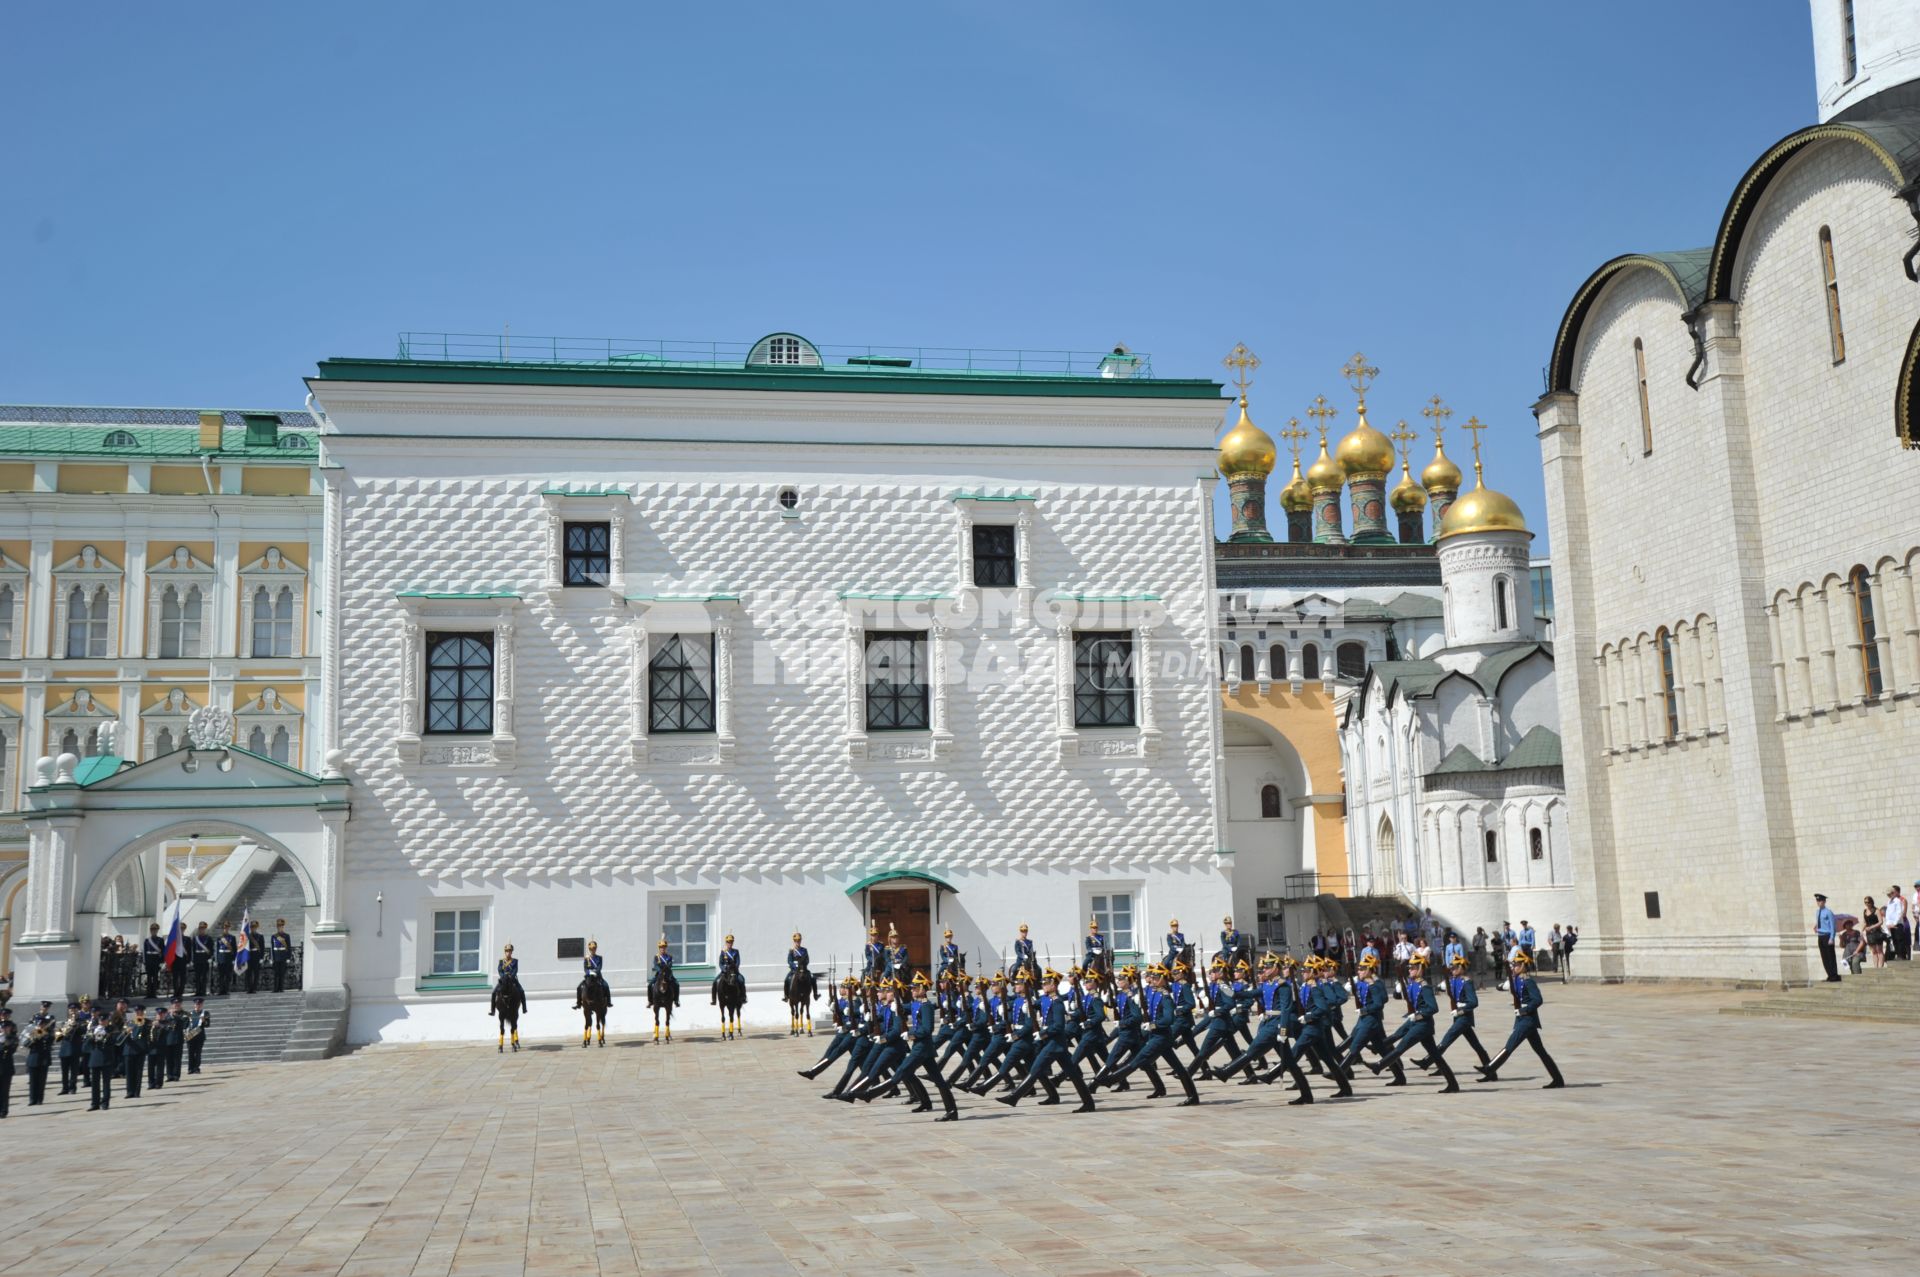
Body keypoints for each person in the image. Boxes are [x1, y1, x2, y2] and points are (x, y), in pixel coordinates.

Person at [1090, 963, 1200, 1105]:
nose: (1152, 980)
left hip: (1161, 1036)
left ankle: (1110, 1080)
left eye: (1156, 978)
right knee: (1178, 1067)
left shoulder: (1165, 997)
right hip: (1157, 1036)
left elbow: (1169, 1019)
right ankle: (1193, 1096)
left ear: (1163, 979)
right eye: (1152, 977)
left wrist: (1152, 1024)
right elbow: (1146, 1010)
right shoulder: (1153, 993)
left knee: (1138, 1060)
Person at [999, 970, 1095, 1113]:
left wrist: (1043, 1033)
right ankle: (1088, 1103)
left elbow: (1058, 1026)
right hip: (1054, 1044)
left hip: (1054, 1043)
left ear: (1054, 985)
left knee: (1035, 1069)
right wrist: (1024, 1002)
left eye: (1046, 983)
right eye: (1043, 983)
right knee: (1073, 1074)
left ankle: (1014, 1097)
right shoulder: (1044, 999)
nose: (1043, 985)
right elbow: (1034, 1004)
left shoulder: (1057, 1003)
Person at [1366, 955, 1459, 1093]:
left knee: (1402, 1046)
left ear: (1420, 969)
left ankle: (1379, 1065)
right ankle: (1453, 1084)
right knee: (1434, 1055)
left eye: (1413, 968)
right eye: (1409, 968)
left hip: (1423, 1024)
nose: (1410, 970)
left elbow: (1433, 1008)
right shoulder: (1413, 984)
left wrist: (1418, 1015)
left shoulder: (1424, 986)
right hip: (1415, 1021)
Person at [1477, 951, 1565, 1088]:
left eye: (1517, 965)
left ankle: (1489, 1067)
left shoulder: (1528, 982)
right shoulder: (1517, 980)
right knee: (1541, 1052)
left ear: (1524, 966)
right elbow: (1504, 988)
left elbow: (1538, 1000)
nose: (1514, 967)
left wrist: (1525, 1010)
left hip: (1528, 1020)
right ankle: (1558, 1079)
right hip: (1522, 1020)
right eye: (1513, 965)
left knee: (1510, 1045)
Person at [122, 1006, 150, 1099]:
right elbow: (123, 1034)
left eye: (140, 1011)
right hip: (129, 1049)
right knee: (129, 1072)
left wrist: (139, 1022)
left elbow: (144, 1033)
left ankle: (136, 1092)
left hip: (139, 1049)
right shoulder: (129, 1021)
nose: (138, 1013)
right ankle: (129, 1091)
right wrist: (126, 1030)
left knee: (138, 1072)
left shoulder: (145, 1022)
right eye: (136, 1011)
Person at [57, 1003, 85, 1095]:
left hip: (75, 1049)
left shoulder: (81, 1021)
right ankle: (64, 1088)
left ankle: (73, 1087)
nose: (72, 1011)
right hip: (64, 1049)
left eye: (74, 1009)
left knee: (74, 1071)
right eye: (71, 1009)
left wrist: (75, 1025)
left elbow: (83, 1031)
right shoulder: (64, 1022)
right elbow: (58, 1037)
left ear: (78, 1011)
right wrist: (61, 1031)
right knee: (64, 1071)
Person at [574, 940, 610, 1009]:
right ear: (589, 949)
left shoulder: (599, 958)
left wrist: (595, 972)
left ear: (596, 949)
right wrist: (590, 972)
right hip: (588, 978)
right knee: (579, 987)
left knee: (606, 985)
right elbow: (585, 968)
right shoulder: (586, 958)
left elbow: (599, 967)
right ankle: (579, 1003)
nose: (592, 950)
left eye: (594, 948)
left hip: (597, 977)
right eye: (591, 949)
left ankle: (608, 1002)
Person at [1814, 894, 1841, 982]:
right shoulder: (1817, 912)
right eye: (1817, 901)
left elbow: (1833, 926)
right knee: (1824, 957)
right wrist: (1816, 927)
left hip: (1827, 936)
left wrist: (1832, 938)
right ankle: (1829, 974)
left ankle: (1834, 975)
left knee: (1830, 956)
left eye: (1820, 901)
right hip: (1820, 936)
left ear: (1824, 901)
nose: (1818, 903)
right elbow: (1820, 922)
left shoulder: (1828, 912)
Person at [185, 998, 212, 1074]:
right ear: (194, 1005)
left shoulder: (205, 1013)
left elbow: (207, 1025)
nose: (198, 1005)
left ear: (202, 1005)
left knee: (198, 1053)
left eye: (199, 1004)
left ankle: (196, 1068)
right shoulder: (190, 1013)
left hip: (199, 1036)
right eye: (197, 1004)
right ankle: (190, 1068)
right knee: (190, 1053)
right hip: (190, 1035)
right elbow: (185, 1025)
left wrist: (204, 1021)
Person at [1885, 886, 1911, 961]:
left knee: (1900, 940)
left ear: (1893, 893)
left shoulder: (1897, 901)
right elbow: (1888, 914)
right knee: (1895, 940)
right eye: (1888, 895)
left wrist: (1895, 923)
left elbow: (1899, 913)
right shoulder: (1889, 902)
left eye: (1890, 894)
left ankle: (1902, 955)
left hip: (1897, 924)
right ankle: (1898, 954)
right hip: (1891, 925)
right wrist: (1888, 924)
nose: (1889, 896)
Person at [189, 922, 215, 998]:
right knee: (197, 976)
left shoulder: (209, 938)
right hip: (197, 959)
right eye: (200, 928)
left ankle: (203, 991)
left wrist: (210, 957)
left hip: (205, 959)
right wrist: (192, 959)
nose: (202, 930)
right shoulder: (195, 938)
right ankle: (197, 991)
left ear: (205, 929)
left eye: (203, 928)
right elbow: (193, 950)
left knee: (203, 976)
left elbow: (211, 949)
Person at [141, 922, 165, 998]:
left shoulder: (160, 940)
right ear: (150, 930)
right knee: (148, 977)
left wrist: (162, 961)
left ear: (157, 930)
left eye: (155, 929)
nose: (154, 931)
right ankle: (148, 994)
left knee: (155, 977)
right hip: (148, 960)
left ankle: (154, 993)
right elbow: (144, 951)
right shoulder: (147, 940)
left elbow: (163, 951)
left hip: (156, 960)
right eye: (152, 929)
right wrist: (144, 961)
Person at [269, 920, 294, 992]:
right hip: (276, 956)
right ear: (277, 927)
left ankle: (281, 988)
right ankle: (275, 988)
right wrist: (271, 958)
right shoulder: (273, 936)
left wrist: (288, 957)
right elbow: (272, 948)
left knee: (282, 973)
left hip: (283, 956)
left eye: (281, 926)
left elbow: (288, 947)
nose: (280, 928)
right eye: (279, 927)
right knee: (276, 973)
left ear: (283, 927)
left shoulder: (286, 936)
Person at [1863, 897, 1887, 969]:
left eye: (1868, 902)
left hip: (1877, 932)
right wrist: (1862, 930)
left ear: (1871, 902)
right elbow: (1864, 922)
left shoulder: (1876, 910)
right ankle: (1875, 967)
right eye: (1865, 902)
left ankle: (1880, 967)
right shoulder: (1865, 911)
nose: (1867, 904)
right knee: (1873, 951)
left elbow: (1881, 922)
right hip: (1869, 933)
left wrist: (1871, 927)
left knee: (1879, 950)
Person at [244, 920, 267, 992]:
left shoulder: (260, 936)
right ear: (250, 928)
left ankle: (254, 988)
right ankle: (249, 988)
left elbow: (262, 947)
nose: (253, 929)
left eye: (255, 927)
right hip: (249, 956)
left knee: (256, 973)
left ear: (257, 928)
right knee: (248, 973)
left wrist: (261, 957)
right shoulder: (247, 936)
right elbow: (245, 947)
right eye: (252, 927)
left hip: (256, 955)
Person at [215, 922, 237, 995]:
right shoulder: (219, 937)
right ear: (223, 928)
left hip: (228, 958)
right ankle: (221, 990)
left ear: (229, 928)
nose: (226, 929)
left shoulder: (232, 937)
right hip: (221, 958)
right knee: (221, 975)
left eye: (227, 927)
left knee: (228, 975)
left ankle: (226, 990)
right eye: (225, 927)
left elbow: (234, 949)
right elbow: (217, 949)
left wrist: (234, 959)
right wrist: (216, 959)